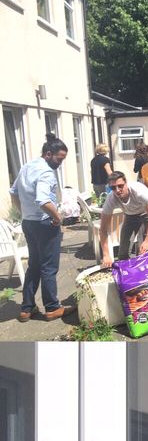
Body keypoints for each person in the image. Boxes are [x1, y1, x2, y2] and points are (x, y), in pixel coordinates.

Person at [9, 136, 69, 322]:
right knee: (49, 267)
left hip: (29, 223)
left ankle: (26, 308)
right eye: (59, 159)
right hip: (45, 224)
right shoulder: (46, 173)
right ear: (48, 154)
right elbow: (43, 200)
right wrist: (58, 218)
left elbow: (14, 192)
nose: (60, 163)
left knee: (34, 264)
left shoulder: (27, 167)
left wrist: (25, 213)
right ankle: (52, 308)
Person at [99, 171, 148, 268]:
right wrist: (106, 254)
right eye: (113, 188)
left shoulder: (139, 192)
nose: (118, 190)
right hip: (131, 215)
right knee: (123, 251)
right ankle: (126, 279)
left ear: (126, 183)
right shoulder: (111, 199)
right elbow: (103, 230)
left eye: (120, 186)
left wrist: (146, 240)